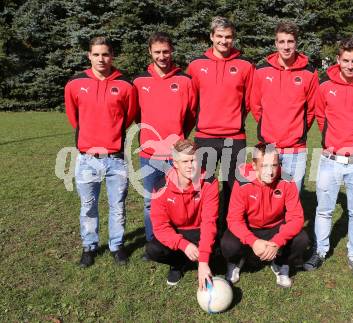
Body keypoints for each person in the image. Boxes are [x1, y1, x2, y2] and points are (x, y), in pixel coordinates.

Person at [303, 37, 353, 278]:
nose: (350, 65)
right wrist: (328, 142)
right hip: (330, 160)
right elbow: (319, 114)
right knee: (324, 210)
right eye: (345, 60)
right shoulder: (325, 84)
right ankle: (320, 250)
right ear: (338, 60)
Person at [64, 36, 137, 267]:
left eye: (105, 54)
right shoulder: (75, 84)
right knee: (88, 207)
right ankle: (89, 246)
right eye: (96, 54)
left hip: (115, 159)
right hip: (87, 158)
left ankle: (117, 246)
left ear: (112, 56)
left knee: (117, 206)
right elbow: (73, 117)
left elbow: (128, 117)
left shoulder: (126, 85)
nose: (101, 59)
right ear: (89, 56)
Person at [133, 32, 197, 258]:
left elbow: (191, 115)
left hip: (176, 156)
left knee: (178, 202)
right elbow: (136, 115)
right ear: (150, 52)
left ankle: (178, 245)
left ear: (172, 51)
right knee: (151, 203)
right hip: (150, 155)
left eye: (166, 51)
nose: (162, 56)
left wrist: (178, 139)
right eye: (157, 52)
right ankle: (154, 246)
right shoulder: (139, 81)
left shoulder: (185, 80)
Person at [186, 16, 254, 230]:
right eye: (220, 36)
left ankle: (231, 232)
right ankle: (204, 230)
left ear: (233, 38)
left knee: (235, 188)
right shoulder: (197, 65)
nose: (224, 41)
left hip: (234, 138)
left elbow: (250, 102)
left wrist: (234, 121)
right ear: (211, 37)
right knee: (202, 186)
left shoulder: (244, 66)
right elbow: (191, 101)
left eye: (228, 37)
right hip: (205, 136)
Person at [221, 143, 309, 288]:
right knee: (227, 245)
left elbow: (296, 218)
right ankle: (237, 260)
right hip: (250, 227)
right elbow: (234, 219)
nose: (270, 172)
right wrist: (253, 241)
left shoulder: (287, 180)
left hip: (275, 227)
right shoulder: (242, 182)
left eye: (274, 165)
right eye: (264, 166)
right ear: (254, 165)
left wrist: (277, 242)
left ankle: (281, 263)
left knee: (302, 239)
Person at [250, 20, 318, 192]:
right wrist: (269, 127)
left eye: (290, 41)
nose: (286, 46)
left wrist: (297, 131)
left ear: (296, 43)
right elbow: (256, 106)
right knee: (267, 197)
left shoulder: (309, 73)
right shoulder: (261, 71)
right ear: (276, 43)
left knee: (293, 199)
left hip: (295, 149)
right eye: (282, 41)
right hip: (268, 147)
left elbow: (311, 110)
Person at [147, 140, 219, 288]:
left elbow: (209, 221)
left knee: (225, 247)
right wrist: (183, 244)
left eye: (193, 160)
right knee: (153, 250)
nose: (190, 165)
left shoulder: (210, 182)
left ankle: (202, 261)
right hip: (177, 232)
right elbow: (160, 227)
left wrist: (204, 261)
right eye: (184, 161)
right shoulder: (161, 186)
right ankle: (177, 264)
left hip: (200, 230)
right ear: (175, 163)